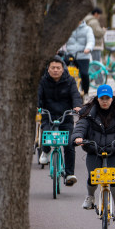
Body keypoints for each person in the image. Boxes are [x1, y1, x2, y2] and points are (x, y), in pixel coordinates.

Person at [72, 84, 115, 220]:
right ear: (97, 99)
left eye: (108, 98)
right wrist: (78, 137)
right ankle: (90, 197)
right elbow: (81, 127)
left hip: (114, 150)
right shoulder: (88, 113)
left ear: (112, 99)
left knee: (113, 178)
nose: (105, 101)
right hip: (94, 150)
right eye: (102, 98)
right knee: (93, 176)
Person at [37, 56, 83, 185]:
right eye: (53, 68)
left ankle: (69, 174)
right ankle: (45, 151)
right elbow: (38, 95)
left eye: (58, 68)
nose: (55, 70)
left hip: (65, 116)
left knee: (69, 144)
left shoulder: (70, 81)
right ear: (48, 69)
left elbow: (75, 95)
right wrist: (37, 106)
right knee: (46, 135)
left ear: (63, 69)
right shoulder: (43, 81)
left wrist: (77, 106)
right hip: (48, 115)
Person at [65, 19, 95, 96]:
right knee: (62, 72)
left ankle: (86, 93)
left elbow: (91, 40)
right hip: (70, 55)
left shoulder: (87, 29)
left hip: (83, 55)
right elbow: (60, 40)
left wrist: (88, 48)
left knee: (84, 73)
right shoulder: (67, 28)